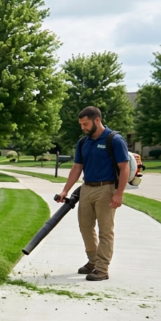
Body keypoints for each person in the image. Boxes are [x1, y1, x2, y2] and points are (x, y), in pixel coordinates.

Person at [57, 106, 130, 281]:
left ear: (97, 120)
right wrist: (65, 190)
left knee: (105, 230)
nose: (83, 128)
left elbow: (124, 167)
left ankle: (102, 269)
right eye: (81, 124)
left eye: (86, 124)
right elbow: (77, 167)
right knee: (85, 227)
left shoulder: (115, 140)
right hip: (87, 188)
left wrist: (119, 194)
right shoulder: (83, 142)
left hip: (107, 188)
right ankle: (93, 261)